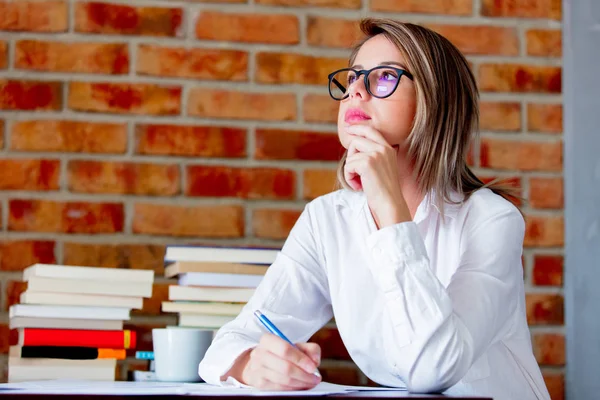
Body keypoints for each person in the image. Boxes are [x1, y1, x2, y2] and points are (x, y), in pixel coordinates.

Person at [198, 18, 551, 400]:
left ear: (435, 99)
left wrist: (388, 208)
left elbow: (433, 368)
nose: (355, 93)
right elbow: (228, 344)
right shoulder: (327, 220)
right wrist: (251, 364)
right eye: (352, 79)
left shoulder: (491, 219)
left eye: (383, 78)